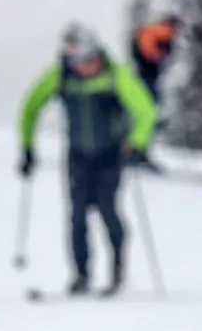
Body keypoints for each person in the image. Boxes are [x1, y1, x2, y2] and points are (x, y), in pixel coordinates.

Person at [18, 23, 156, 297]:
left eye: (84, 60)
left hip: (111, 155)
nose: (81, 67)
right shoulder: (61, 77)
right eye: (74, 61)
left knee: (107, 209)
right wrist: (27, 148)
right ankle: (81, 276)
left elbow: (145, 110)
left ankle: (118, 272)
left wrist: (137, 144)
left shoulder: (116, 76)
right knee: (77, 215)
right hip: (78, 156)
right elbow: (30, 108)